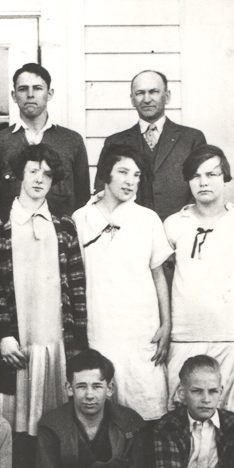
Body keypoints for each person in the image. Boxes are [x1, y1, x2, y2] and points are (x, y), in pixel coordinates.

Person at [0, 143, 87, 436]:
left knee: (57, 423)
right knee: (16, 427)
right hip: (18, 344)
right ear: (21, 174)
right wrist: (3, 335)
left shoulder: (64, 225)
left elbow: (77, 287)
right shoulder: (0, 224)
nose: (40, 179)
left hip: (57, 342)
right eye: (33, 171)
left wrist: (78, 345)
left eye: (47, 174)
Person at [164, 145, 234, 417]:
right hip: (185, 338)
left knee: (231, 419)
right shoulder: (173, 224)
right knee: (182, 417)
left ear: (225, 178)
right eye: (196, 176)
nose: (203, 182)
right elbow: (164, 279)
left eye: (211, 174)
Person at [73, 145, 172, 420]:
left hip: (141, 328)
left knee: (146, 402)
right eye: (123, 172)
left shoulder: (147, 218)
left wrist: (166, 324)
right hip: (100, 326)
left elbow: (158, 275)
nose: (130, 181)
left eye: (137, 175)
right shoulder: (81, 219)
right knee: (104, 403)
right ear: (106, 173)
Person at [95, 70, 207, 220]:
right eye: (140, 93)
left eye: (154, 92)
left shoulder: (192, 139)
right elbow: (102, 190)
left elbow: (202, 184)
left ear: (167, 96)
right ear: (132, 99)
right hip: (129, 227)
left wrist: (184, 221)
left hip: (180, 225)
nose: (147, 99)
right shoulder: (115, 142)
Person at [0, 62, 89, 216]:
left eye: (38, 88)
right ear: (14, 96)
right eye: (23, 89)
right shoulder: (0, 142)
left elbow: (83, 200)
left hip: (60, 230)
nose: (30, 94)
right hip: (13, 229)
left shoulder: (72, 141)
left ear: (49, 94)